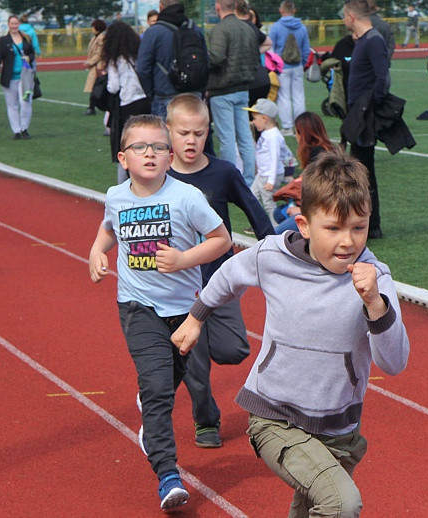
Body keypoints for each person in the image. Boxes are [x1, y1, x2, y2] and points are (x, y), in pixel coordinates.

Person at [172, 151, 410, 518]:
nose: (347, 241)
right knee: (341, 503)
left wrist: (376, 305)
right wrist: (196, 316)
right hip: (275, 416)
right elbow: (229, 274)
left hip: (339, 430)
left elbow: (394, 363)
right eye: (333, 228)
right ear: (304, 225)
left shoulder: (375, 278)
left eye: (358, 227)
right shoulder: (273, 256)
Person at [88, 114, 232, 511]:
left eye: (158, 147)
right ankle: (168, 475)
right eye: (139, 147)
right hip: (137, 308)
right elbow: (109, 227)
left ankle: (150, 417)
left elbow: (222, 240)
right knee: (157, 390)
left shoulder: (186, 197)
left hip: (185, 313)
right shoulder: (116, 196)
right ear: (123, 157)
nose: (149, 154)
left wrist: (184, 259)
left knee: (164, 387)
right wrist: (97, 251)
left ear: (170, 157)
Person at [165, 94, 274, 448]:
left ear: (208, 131)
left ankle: (206, 334)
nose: (191, 141)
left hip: (220, 280)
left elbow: (255, 212)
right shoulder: (158, 177)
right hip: (179, 286)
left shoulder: (223, 172)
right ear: (169, 132)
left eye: (198, 133)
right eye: (183, 133)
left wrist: (276, 251)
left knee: (234, 350)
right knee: (193, 361)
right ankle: (206, 421)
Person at [342, 0, 389, 240]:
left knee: (363, 170)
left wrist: (369, 108)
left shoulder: (373, 40)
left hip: (364, 114)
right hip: (358, 112)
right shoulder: (364, 40)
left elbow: (383, 78)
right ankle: (367, 223)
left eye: (344, 16)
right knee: (360, 169)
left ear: (351, 16)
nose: (343, 20)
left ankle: (372, 225)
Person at [206, 0, 260, 187]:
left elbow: (216, 57)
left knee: (227, 138)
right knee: (245, 136)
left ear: (218, 7)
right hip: (243, 88)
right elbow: (256, 58)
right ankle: (249, 180)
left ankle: (229, 182)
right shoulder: (248, 28)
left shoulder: (221, 29)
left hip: (222, 90)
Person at [136, 0, 208, 120]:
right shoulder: (195, 29)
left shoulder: (153, 32)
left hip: (165, 95)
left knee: (165, 132)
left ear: (161, 6)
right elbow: (205, 62)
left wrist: (151, 92)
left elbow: (142, 68)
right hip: (193, 94)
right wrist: (201, 89)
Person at [274, 111, 343, 234]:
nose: (296, 136)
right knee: (279, 212)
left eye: (297, 132)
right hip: (330, 207)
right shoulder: (327, 149)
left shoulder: (317, 154)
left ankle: (310, 238)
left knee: (276, 233)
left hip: (325, 210)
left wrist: (300, 210)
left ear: (303, 134)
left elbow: (322, 193)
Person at [104, 21, 151, 183]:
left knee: (127, 147)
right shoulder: (139, 54)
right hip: (145, 100)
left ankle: (124, 185)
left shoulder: (115, 60)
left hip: (128, 103)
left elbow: (113, 86)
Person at [0, 15, 36, 140]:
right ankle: (16, 130)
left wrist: (29, 58)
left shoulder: (26, 38)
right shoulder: (4, 40)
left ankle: (24, 128)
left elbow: (32, 53)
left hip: (25, 77)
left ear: (19, 24)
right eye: (12, 23)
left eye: (16, 23)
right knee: (12, 105)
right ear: (8, 25)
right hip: (9, 77)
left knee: (25, 103)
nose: (14, 26)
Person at [269, 1, 310, 136]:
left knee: (283, 97)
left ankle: (287, 127)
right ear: (294, 10)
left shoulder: (276, 27)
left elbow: (271, 49)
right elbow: (306, 49)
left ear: (281, 10)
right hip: (297, 65)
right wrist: (303, 63)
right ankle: (301, 126)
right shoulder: (302, 27)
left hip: (282, 67)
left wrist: (274, 66)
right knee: (299, 96)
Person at [243, 98, 285, 225]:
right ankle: (260, 224)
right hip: (262, 174)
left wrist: (271, 180)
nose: (253, 122)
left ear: (265, 119)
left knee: (268, 203)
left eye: (255, 119)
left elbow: (275, 158)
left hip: (268, 176)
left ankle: (276, 228)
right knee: (252, 197)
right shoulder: (267, 134)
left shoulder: (273, 136)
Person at [83, 19, 106, 116]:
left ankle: (92, 107)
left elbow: (99, 53)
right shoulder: (95, 38)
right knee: (94, 87)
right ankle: (91, 107)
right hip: (95, 66)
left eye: (93, 27)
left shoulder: (101, 38)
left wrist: (90, 62)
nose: (92, 29)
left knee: (96, 87)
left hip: (99, 66)